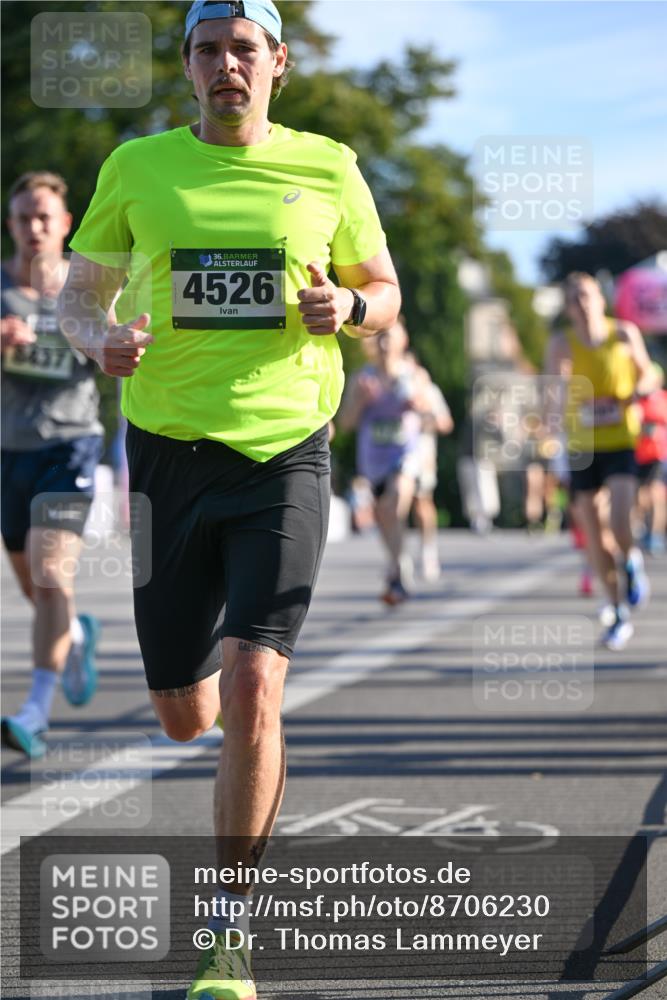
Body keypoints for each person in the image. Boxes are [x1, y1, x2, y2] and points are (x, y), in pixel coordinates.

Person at [57, 2, 400, 997]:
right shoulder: (138, 167)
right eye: (208, 50)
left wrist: (353, 308)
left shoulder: (327, 166)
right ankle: (200, 697)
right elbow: (82, 298)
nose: (226, 65)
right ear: (188, 65)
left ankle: (227, 932)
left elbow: (382, 287)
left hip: (284, 450)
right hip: (166, 454)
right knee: (180, 715)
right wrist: (98, 339)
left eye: (243, 48)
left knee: (256, 684)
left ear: (277, 63)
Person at [1, 171, 103, 759]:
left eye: (45, 217)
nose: (34, 227)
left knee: (49, 572)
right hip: (9, 451)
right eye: (23, 218)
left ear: (65, 225)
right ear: (11, 226)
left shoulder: (85, 290)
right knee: (36, 586)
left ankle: (35, 712)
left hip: (71, 448)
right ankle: (76, 635)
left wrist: (103, 341)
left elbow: (120, 350)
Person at [545, 272, 657, 650]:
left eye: (587, 295)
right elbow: (553, 389)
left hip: (620, 440)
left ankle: (633, 560)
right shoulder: (562, 343)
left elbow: (650, 374)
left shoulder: (623, 334)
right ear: (567, 307)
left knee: (621, 522)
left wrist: (635, 393)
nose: (581, 302)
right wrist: (553, 420)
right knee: (594, 534)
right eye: (573, 297)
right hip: (582, 445)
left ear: (601, 299)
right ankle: (616, 610)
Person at [337, 319, 437, 604]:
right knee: (384, 516)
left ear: (403, 339)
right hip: (373, 462)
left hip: (405, 456)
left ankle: (396, 570)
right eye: (379, 338)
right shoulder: (362, 378)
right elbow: (345, 423)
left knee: (396, 499)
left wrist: (420, 406)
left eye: (390, 336)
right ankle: (398, 565)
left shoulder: (416, 376)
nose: (384, 343)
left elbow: (435, 419)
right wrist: (360, 402)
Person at [634, 363, 667, 555]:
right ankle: (644, 529)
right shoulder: (636, 401)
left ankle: (655, 536)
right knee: (640, 496)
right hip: (637, 455)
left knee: (656, 494)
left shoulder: (663, 399)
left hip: (658, 454)